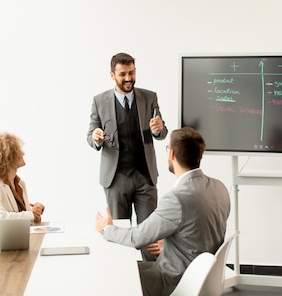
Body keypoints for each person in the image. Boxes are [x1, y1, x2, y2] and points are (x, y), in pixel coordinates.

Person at [95, 127, 231, 296]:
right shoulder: (220, 188)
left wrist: (106, 229)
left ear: (172, 154)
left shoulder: (177, 199)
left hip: (175, 279)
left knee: (116, 275)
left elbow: (137, 238)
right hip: (203, 277)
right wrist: (170, 245)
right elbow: (202, 232)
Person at [87, 52, 167, 259]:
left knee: (149, 233)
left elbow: (161, 131)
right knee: (118, 234)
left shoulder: (150, 97)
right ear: (112, 75)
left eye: (131, 72)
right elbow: (91, 135)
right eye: (123, 74)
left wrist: (158, 129)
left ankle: (152, 280)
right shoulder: (99, 101)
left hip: (145, 177)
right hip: (116, 179)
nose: (128, 78)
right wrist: (96, 138)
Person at [0, 132, 45, 223]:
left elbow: (27, 219)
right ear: (7, 157)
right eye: (18, 151)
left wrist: (36, 213)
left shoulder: (20, 184)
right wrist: (31, 214)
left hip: (20, 236)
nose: (23, 153)